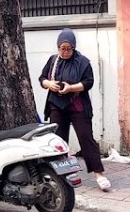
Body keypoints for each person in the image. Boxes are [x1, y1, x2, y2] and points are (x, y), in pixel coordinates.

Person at [39, 28, 110, 191]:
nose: (64, 52)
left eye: (68, 48)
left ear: (73, 46)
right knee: (58, 140)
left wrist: (70, 88)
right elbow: (42, 79)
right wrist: (50, 84)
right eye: (61, 48)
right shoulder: (53, 60)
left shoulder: (82, 61)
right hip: (57, 104)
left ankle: (99, 173)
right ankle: (60, 174)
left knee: (86, 137)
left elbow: (88, 82)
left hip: (77, 105)